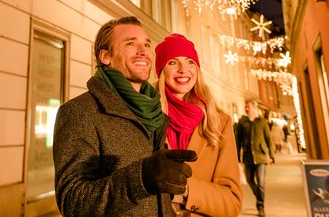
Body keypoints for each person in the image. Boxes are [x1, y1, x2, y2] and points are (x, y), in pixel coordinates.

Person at [53, 16, 197, 216]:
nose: (144, 51)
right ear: (105, 57)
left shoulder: (153, 110)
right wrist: (141, 177)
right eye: (131, 43)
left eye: (146, 44)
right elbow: (72, 201)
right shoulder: (80, 112)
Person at [154, 33, 242, 217]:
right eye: (173, 62)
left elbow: (233, 202)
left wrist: (185, 190)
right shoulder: (146, 117)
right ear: (162, 71)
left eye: (190, 62)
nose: (183, 69)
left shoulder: (218, 122)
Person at [236, 100, 275, 217]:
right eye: (245, 107)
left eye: (248, 107)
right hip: (248, 157)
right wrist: (237, 156)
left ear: (254, 108)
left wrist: (271, 156)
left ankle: (260, 206)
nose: (246, 109)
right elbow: (238, 141)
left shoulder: (262, 122)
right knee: (249, 180)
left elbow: (269, 139)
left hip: (261, 156)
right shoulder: (242, 122)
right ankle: (260, 196)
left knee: (261, 182)